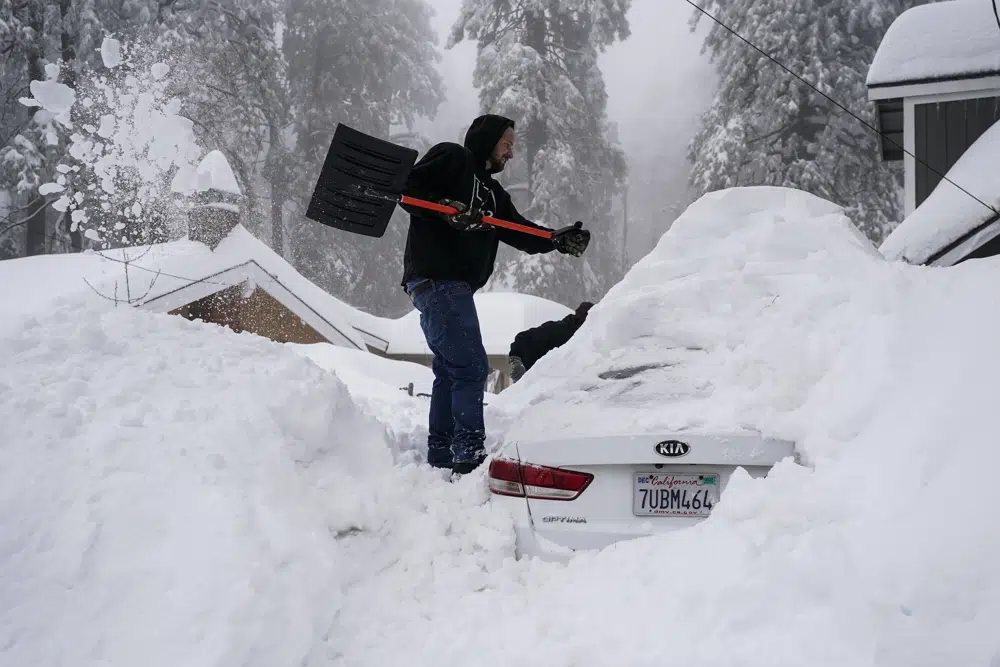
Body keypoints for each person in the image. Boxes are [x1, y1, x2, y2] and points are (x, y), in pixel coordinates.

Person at [400, 114, 591, 474]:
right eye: (507, 145)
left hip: (451, 288)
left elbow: (519, 231)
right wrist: (447, 210)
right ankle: (468, 453)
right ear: (488, 140)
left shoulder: (494, 195)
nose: (511, 154)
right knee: (472, 367)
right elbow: (408, 190)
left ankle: (441, 452)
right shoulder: (452, 158)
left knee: (451, 370)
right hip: (438, 279)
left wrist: (555, 239)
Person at [508, 302, 594, 383]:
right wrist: (515, 360)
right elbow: (523, 337)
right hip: (533, 381)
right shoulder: (556, 330)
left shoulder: (587, 340)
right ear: (582, 319)